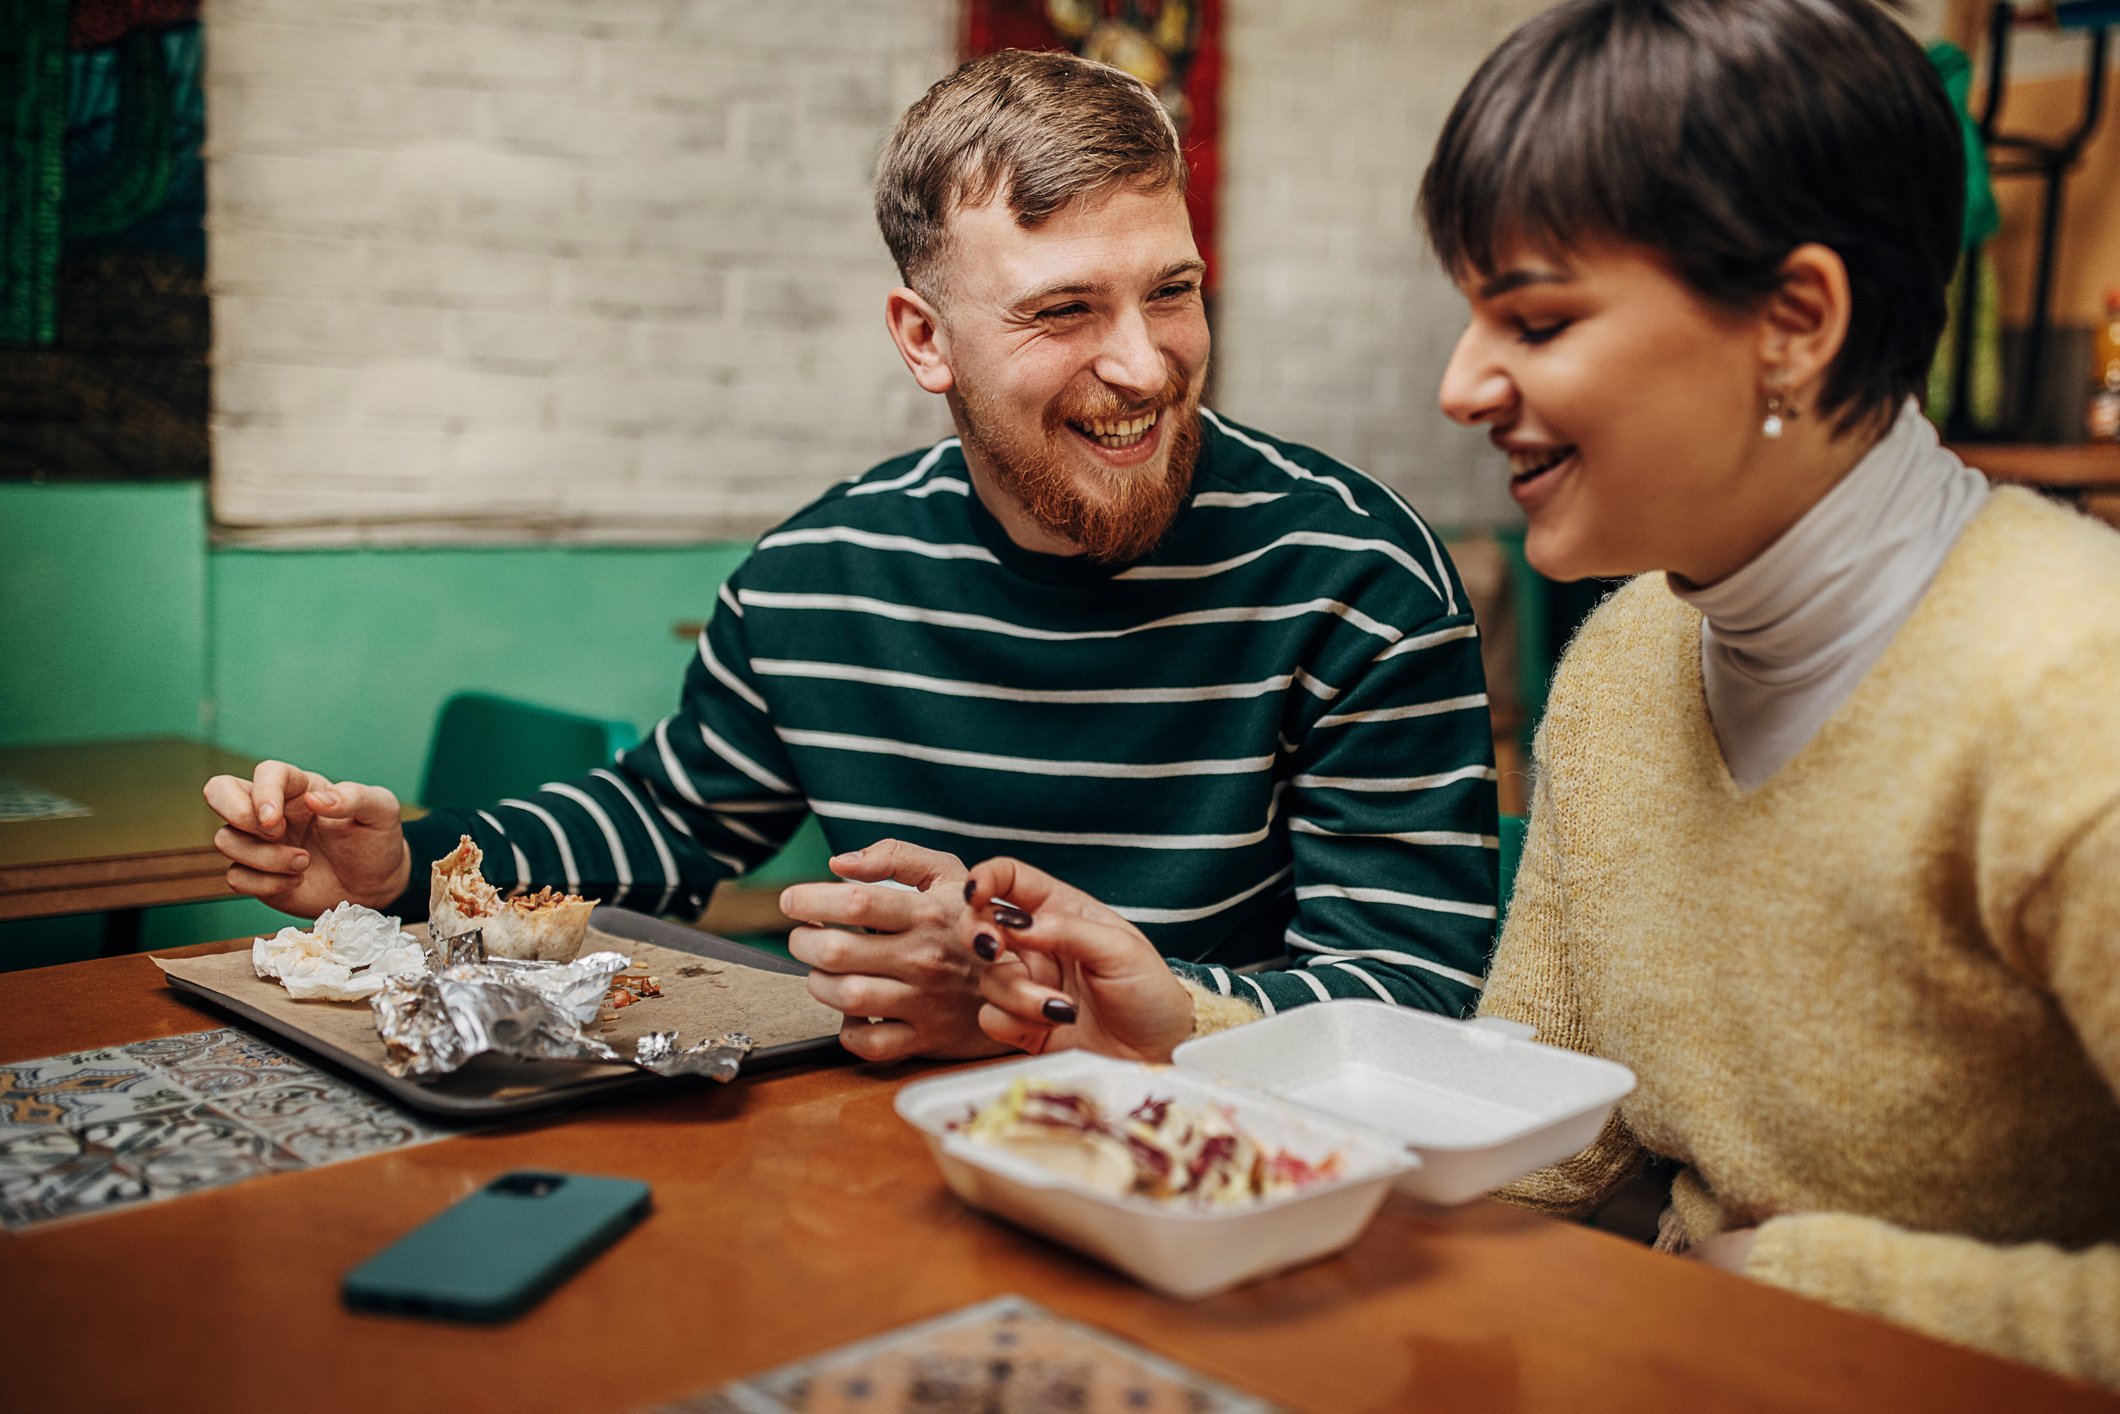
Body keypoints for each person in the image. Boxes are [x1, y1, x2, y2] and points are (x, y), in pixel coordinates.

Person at [966, 0, 2119, 1388]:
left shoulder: (2071, 690)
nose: (1462, 384)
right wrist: (1189, 1035)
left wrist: (1810, 1284)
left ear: (1797, 320)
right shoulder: (1632, 657)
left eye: (1537, 318)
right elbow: (1553, 1140)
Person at [202, 49, 1499, 1064]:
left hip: (1243, 1201)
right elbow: (666, 815)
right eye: (1064, 310)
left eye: (1171, 289)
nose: (1145, 365)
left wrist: (1030, 1009)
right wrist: (406, 868)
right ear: (923, 340)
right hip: (899, 1175)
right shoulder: (812, 576)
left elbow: (1409, 1007)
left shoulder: (1359, 576)